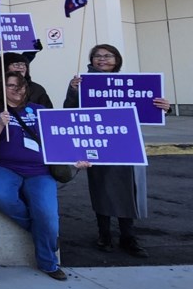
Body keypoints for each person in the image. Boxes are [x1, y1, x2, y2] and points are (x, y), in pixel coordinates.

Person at [64, 43, 171, 258]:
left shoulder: (132, 84)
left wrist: (164, 108)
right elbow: (69, 110)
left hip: (127, 143)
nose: (102, 59)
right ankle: (104, 234)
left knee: (127, 189)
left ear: (117, 60)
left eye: (108, 56)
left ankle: (128, 236)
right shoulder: (82, 83)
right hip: (99, 142)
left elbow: (149, 111)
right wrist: (74, 91)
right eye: (97, 56)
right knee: (101, 188)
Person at [0, 71, 84, 281]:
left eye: (21, 85)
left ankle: (48, 263)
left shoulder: (39, 110)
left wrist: (76, 159)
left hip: (39, 170)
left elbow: (60, 138)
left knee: (47, 215)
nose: (17, 89)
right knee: (1, 196)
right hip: (4, 166)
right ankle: (41, 232)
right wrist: (0, 123)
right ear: (2, 89)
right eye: (11, 85)